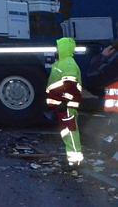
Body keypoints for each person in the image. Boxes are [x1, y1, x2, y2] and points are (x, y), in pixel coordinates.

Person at [46, 37, 84, 167]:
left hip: (66, 105)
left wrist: (64, 102)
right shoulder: (63, 62)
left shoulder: (67, 64)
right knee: (68, 133)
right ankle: (72, 159)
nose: (56, 49)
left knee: (70, 133)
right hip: (64, 105)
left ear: (63, 48)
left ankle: (75, 161)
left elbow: (71, 86)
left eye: (58, 47)